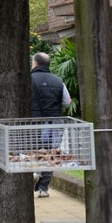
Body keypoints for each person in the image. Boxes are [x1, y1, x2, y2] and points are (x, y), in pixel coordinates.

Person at [30, 52, 71, 198]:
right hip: (53, 124)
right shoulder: (59, 81)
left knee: (32, 151)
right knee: (49, 153)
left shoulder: (28, 79)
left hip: (33, 124)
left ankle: (34, 173)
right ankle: (43, 189)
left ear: (35, 64)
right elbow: (67, 102)